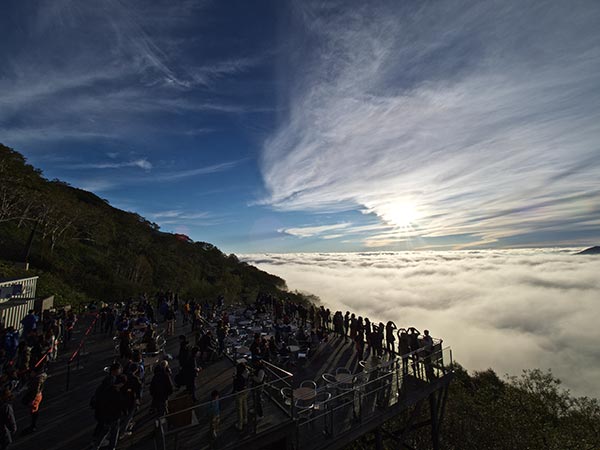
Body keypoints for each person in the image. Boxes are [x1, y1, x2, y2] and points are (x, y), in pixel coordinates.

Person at [22, 370, 47, 434]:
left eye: (32, 372)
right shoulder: (38, 379)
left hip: (35, 397)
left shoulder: (37, 381)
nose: (31, 373)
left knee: (34, 411)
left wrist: (32, 400)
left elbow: (35, 392)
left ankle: (33, 426)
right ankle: (33, 424)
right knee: (34, 410)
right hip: (37, 396)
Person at [233, 362, 249, 432]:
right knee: (245, 404)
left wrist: (234, 378)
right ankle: (245, 419)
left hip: (239, 392)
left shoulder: (239, 376)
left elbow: (236, 384)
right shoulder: (246, 373)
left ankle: (240, 424)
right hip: (245, 390)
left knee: (239, 408)